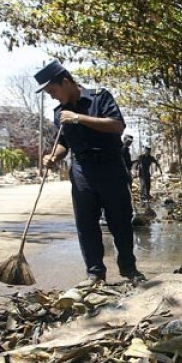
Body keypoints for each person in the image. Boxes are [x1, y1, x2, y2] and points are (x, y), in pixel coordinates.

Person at [36, 60, 146, 286]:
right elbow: (63, 142)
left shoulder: (100, 97)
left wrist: (78, 118)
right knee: (86, 224)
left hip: (111, 167)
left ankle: (129, 269)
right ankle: (95, 274)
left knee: (120, 221)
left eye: (53, 91)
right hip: (82, 171)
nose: (53, 97)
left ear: (65, 82)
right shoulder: (59, 113)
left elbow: (117, 125)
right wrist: (54, 156)